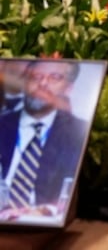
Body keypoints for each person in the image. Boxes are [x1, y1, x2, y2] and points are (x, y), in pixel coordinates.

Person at [0, 60, 93, 211]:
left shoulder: (77, 132)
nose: (42, 83)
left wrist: (48, 210)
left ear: (68, 88)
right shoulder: (2, 124)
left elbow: (70, 192)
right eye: (35, 77)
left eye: (54, 77)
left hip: (44, 220)